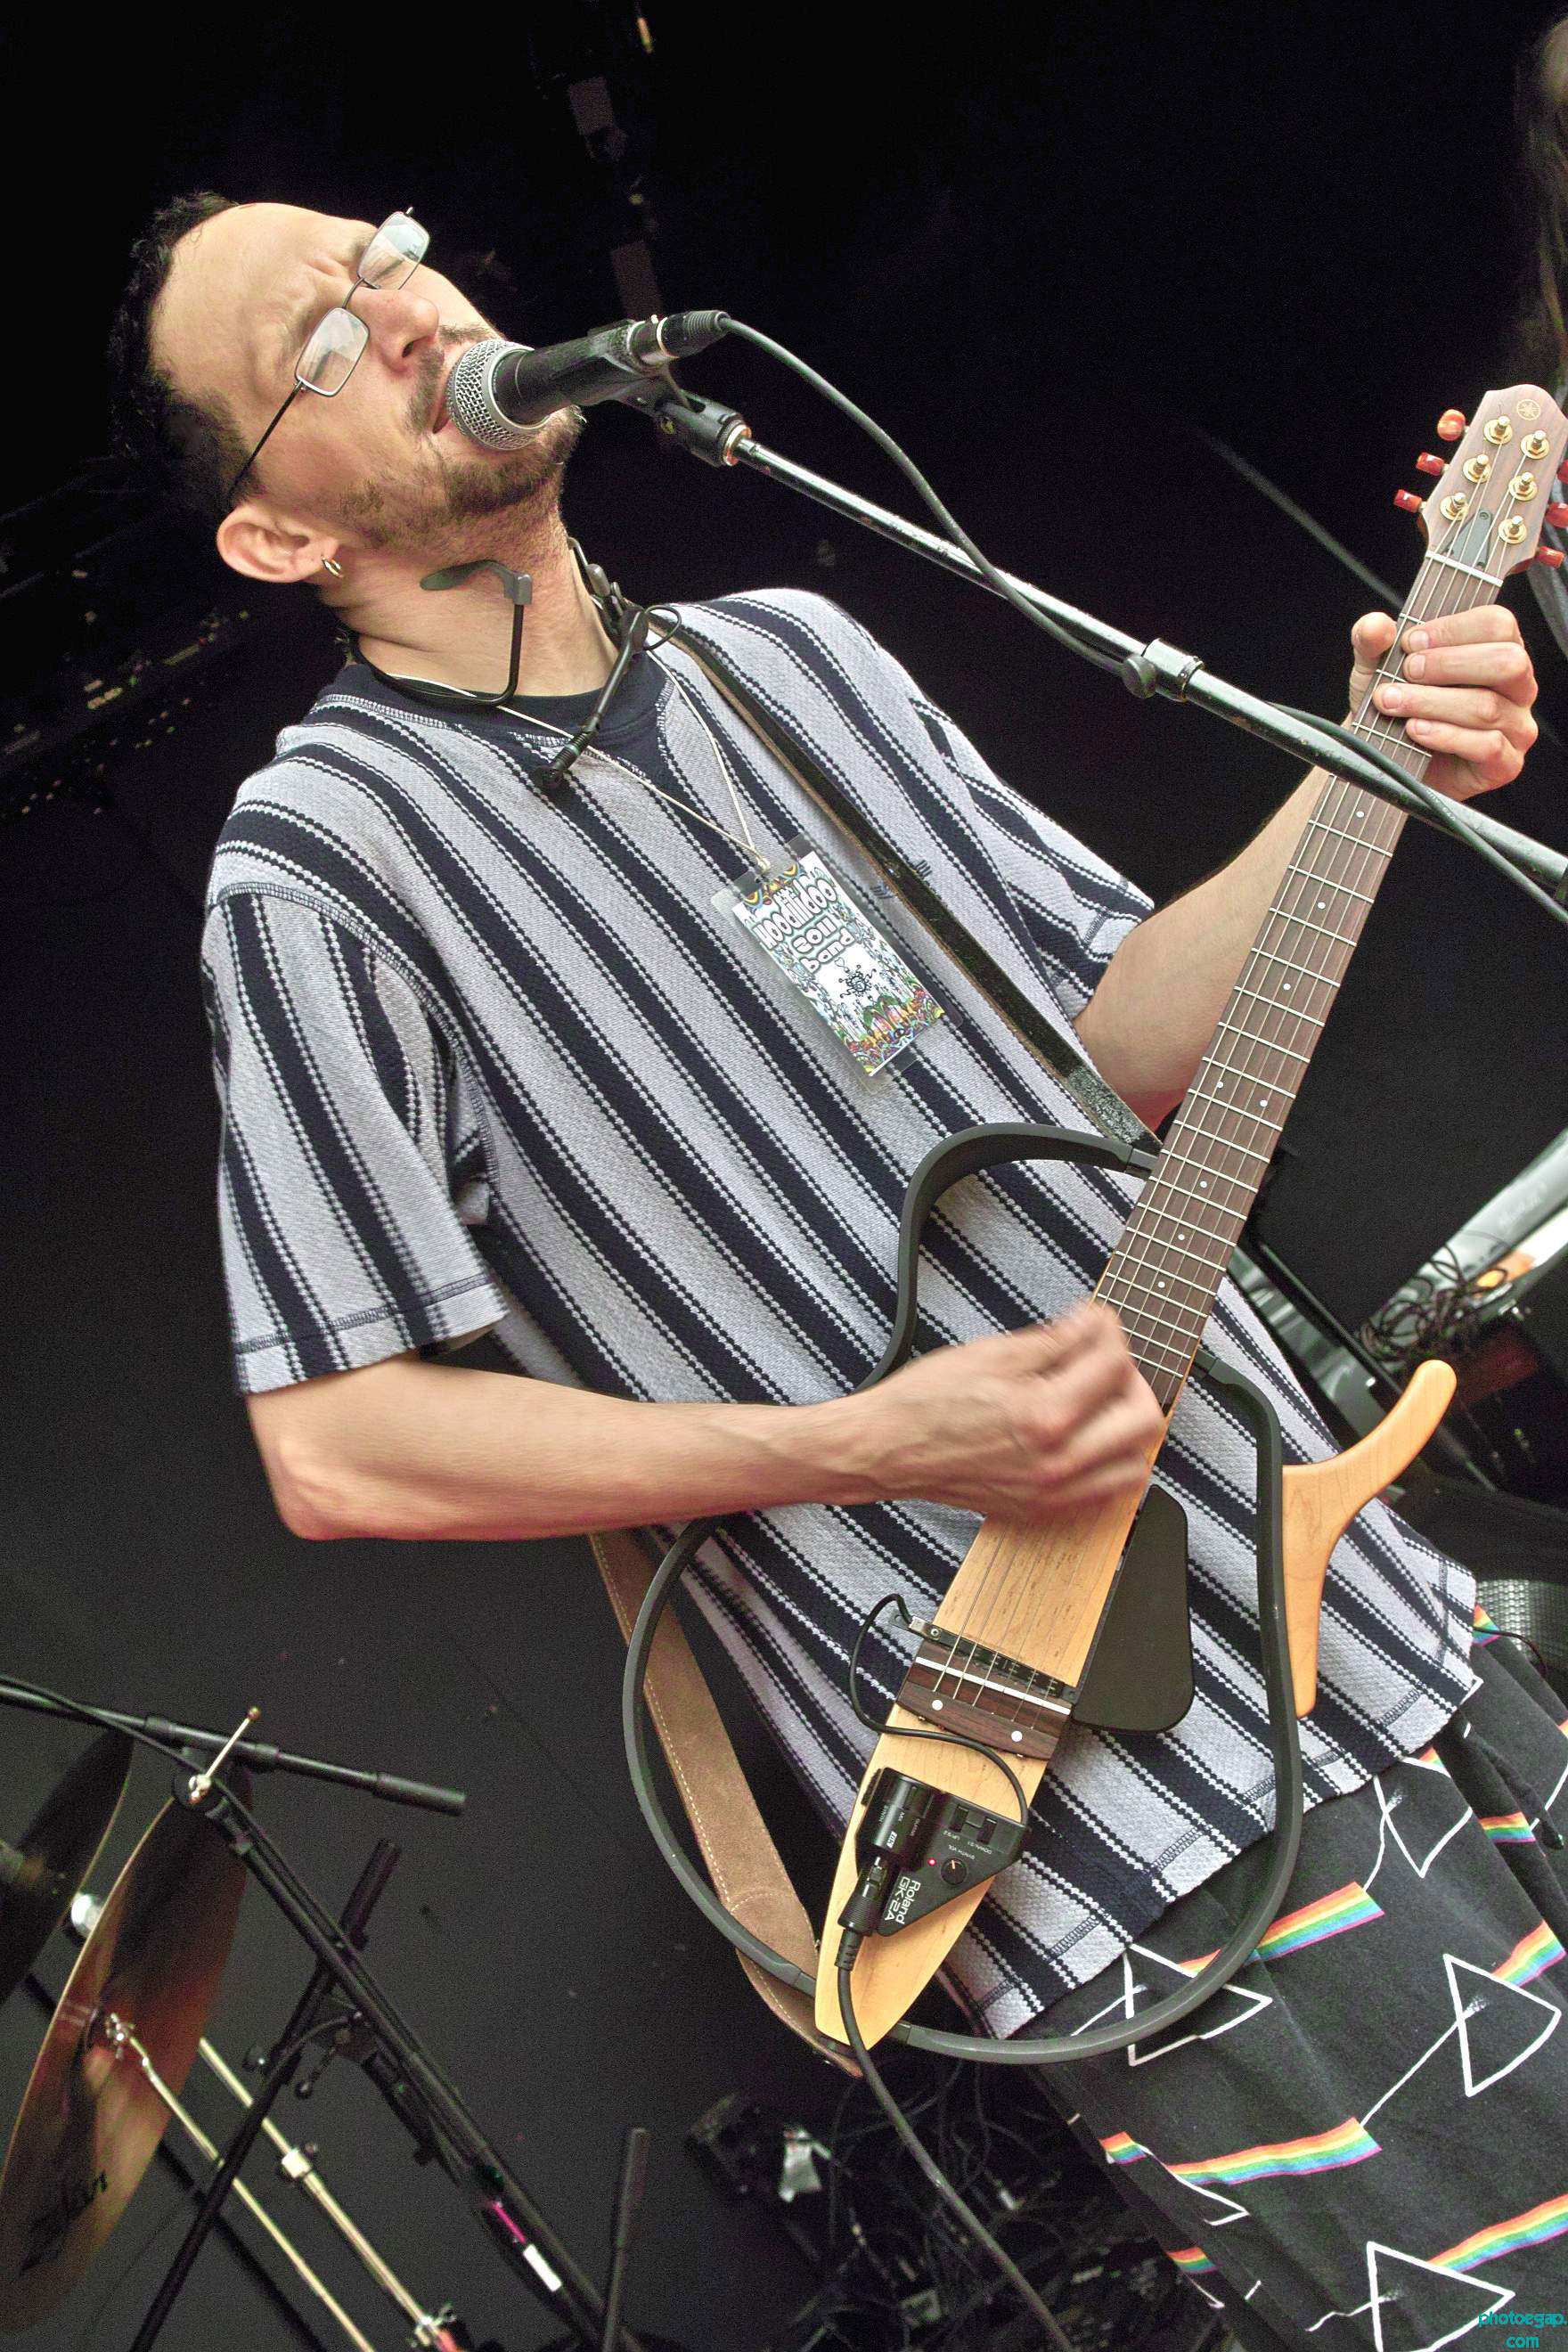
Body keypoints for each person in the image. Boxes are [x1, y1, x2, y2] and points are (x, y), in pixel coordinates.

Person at [109, 195, 1568, 2347]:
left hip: (1385, 1624)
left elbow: (1117, 1048)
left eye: (385, 254)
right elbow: (341, 1442)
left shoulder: (787, 657)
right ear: (274, 535)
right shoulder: (319, 868)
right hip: (1114, 1822)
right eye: (314, 342)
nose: (396, 311)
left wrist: (1367, 766)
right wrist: (873, 1437)